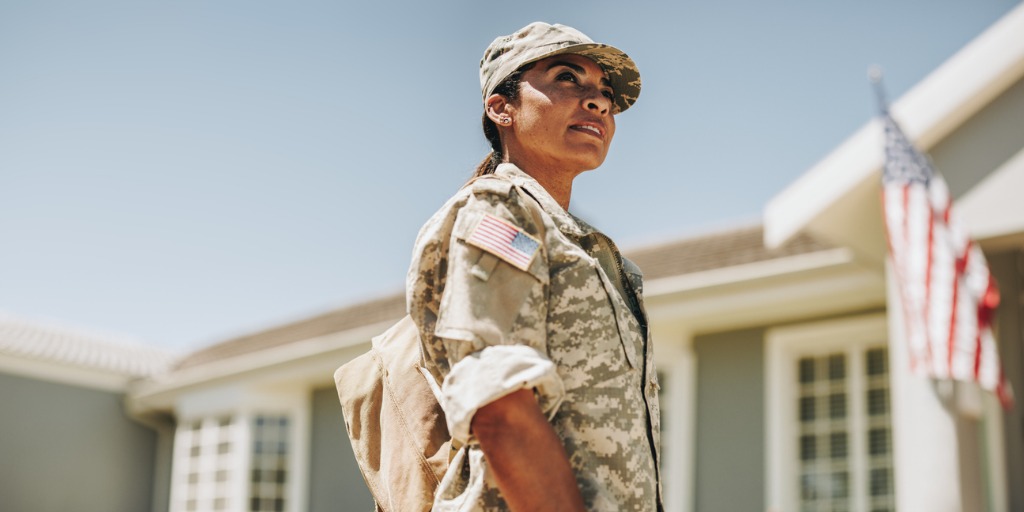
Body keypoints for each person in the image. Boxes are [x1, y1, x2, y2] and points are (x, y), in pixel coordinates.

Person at [406, 21, 661, 511]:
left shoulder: (587, 248)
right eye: (568, 78)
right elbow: (500, 405)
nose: (599, 102)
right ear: (502, 107)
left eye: (605, 93)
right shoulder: (501, 211)